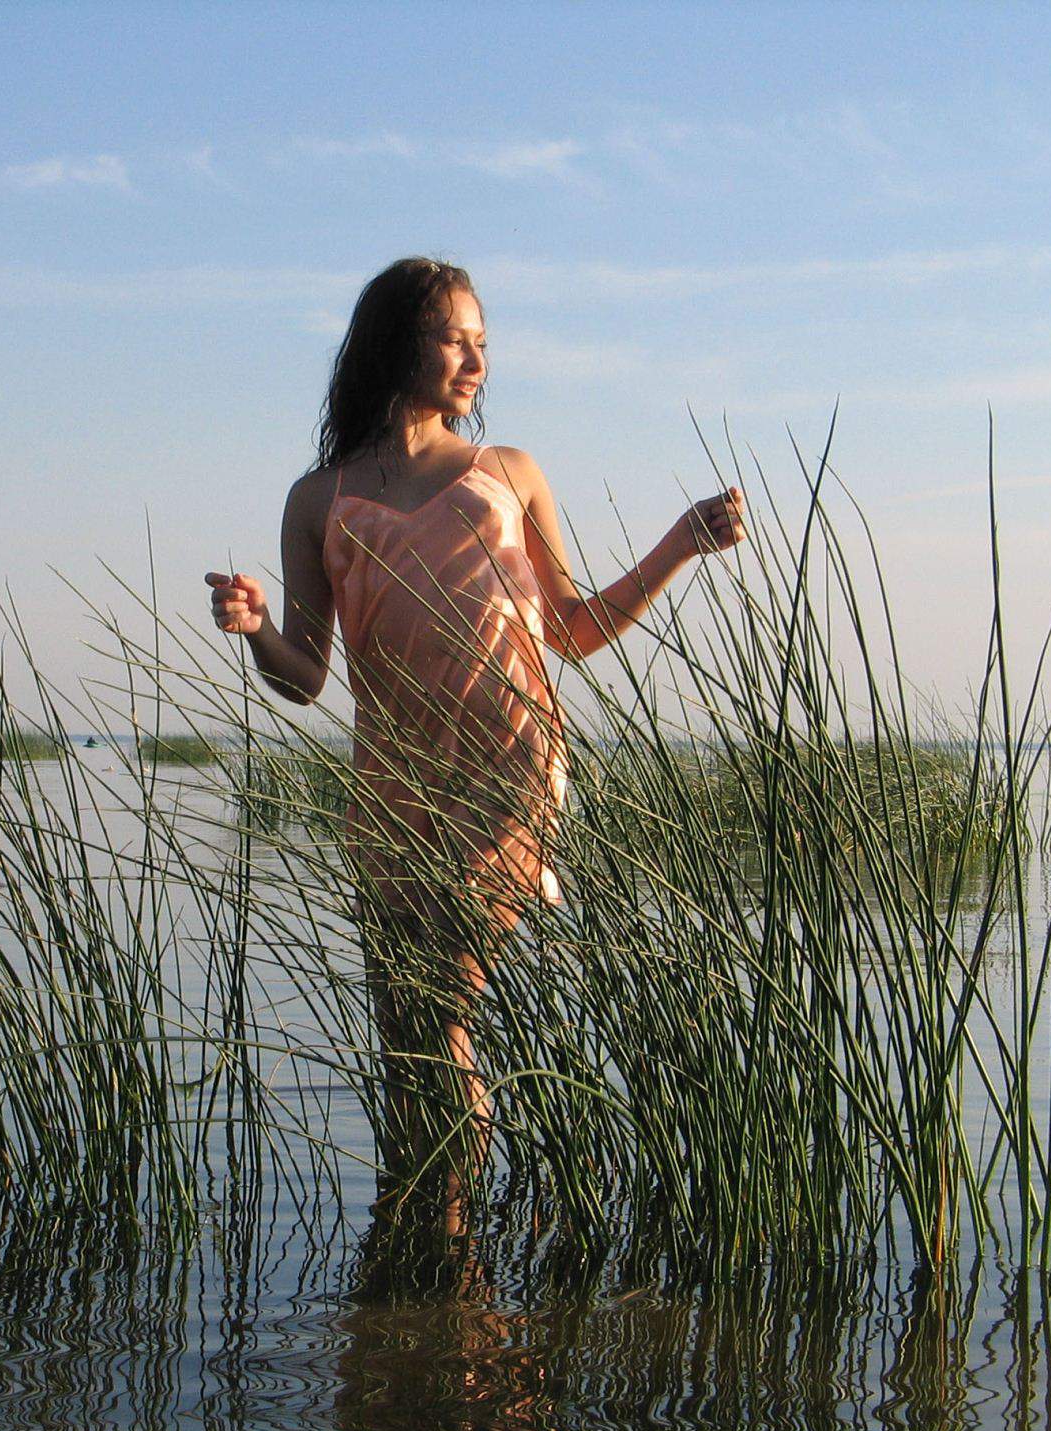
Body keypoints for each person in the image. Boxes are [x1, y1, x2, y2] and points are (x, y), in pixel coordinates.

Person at [206, 255, 744, 1212]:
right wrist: (254, 633)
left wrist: (679, 545)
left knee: (444, 1007)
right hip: (393, 784)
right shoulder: (318, 498)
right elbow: (306, 677)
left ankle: (452, 1232)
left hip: (508, 767)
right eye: (453, 339)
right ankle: (421, 1221)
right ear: (394, 345)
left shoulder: (509, 474)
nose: (476, 361)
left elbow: (573, 630)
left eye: (482, 342)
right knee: (403, 1034)